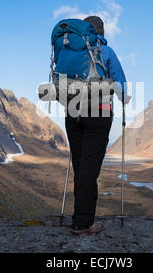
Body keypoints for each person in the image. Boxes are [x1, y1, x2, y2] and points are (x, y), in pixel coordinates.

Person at [66, 16, 128, 234]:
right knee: (89, 168)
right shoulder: (106, 51)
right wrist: (124, 98)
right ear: (101, 31)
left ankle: (80, 217)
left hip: (72, 113)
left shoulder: (71, 48)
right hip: (98, 114)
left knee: (80, 166)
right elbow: (120, 83)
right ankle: (83, 222)